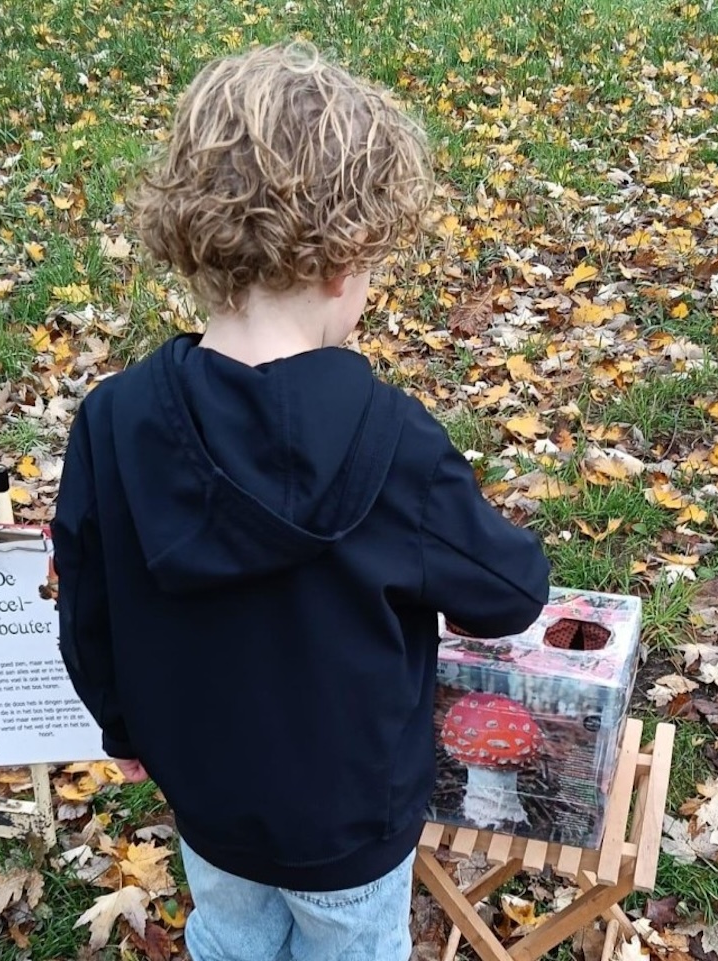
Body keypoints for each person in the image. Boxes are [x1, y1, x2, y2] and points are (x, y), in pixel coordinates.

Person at [52, 41, 550, 961]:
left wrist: (120, 725)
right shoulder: (394, 442)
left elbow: (86, 603)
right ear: (346, 259)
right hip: (350, 814)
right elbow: (508, 592)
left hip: (203, 790)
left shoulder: (116, 421)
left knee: (233, 938)